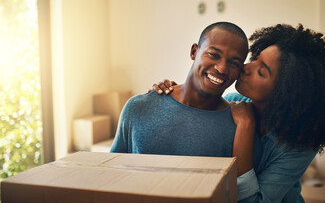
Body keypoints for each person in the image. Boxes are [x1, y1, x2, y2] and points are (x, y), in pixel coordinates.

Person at [153, 24, 325, 202]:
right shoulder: (230, 102)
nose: (246, 67)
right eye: (255, 59)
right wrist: (169, 93)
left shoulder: (300, 145)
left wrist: (245, 127)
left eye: (261, 71)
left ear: (285, 93)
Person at [110, 22, 262, 166]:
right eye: (214, 55)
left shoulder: (240, 129)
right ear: (194, 52)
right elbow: (112, 173)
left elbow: (239, 190)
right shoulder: (138, 108)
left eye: (234, 63)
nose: (222, 68)